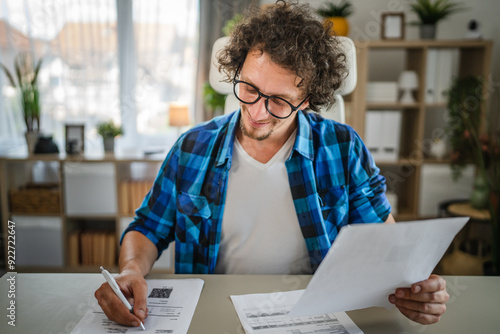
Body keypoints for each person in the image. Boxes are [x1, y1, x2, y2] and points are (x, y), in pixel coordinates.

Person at [95, 0, 449, 328]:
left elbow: (382, 240)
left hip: (313, 316)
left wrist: (413, 287)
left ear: (307, 101)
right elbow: (148, 227)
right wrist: (130, 270)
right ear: (237, 71)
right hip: (213, 313)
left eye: (279, 100)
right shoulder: (192, 147)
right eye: (249, 88)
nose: (257, 111)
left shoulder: (342, 147)